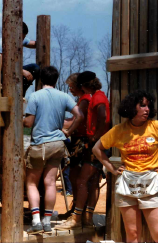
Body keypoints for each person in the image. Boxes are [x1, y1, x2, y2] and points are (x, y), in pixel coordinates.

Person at [92, 90, 158, 242]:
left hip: (152, 182)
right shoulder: (119, 130)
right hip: (127, 183)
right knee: (133, 233)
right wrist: (112, 169)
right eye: (142, 106)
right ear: (131, 107)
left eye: (148, 106)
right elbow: (97, 148)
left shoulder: (156, 127)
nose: (147, 109)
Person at [23, 66, 83, 235]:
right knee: (50, 183)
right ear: (56, 79)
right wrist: (69, 132)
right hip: (58, 144)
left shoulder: (35, 96)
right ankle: (47, 221)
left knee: (32, 182)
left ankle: (35, 220)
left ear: (41, 79)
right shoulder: (64, 96)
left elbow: (28, 123)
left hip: (40, 144)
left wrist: (19, 119)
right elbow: (80, 115)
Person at [56, 71, 110, 229]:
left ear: (83, 86)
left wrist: (94, 139)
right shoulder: (95, 96)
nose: (72, 89)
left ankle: (76, 219)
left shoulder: (96, 98)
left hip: (93, 142)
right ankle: (86, 217)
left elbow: (103, 117)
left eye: (74, 86)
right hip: (95, 141)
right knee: (90, 181)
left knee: (82, 181)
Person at [61, 73, 91, 216]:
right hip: (77, 138)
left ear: (79, 86)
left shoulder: (85, 100)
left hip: (81, 140)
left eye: (71, 86)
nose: (70, 89)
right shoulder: (81, 100)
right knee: (74, 176)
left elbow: (76, 120)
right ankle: (76, 208)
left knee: (77, 176)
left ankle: (79, 210)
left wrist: (54, 123)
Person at [22, 22, 40, 96]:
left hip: (15, 70)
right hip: (3, 72)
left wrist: (43, 38)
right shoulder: (2, 43)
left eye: (24, 37)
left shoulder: (21, 40)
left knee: (35, 68)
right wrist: (22, 71)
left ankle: (22, 91)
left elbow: (33, 44)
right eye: (22, 36)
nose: (23, 39)